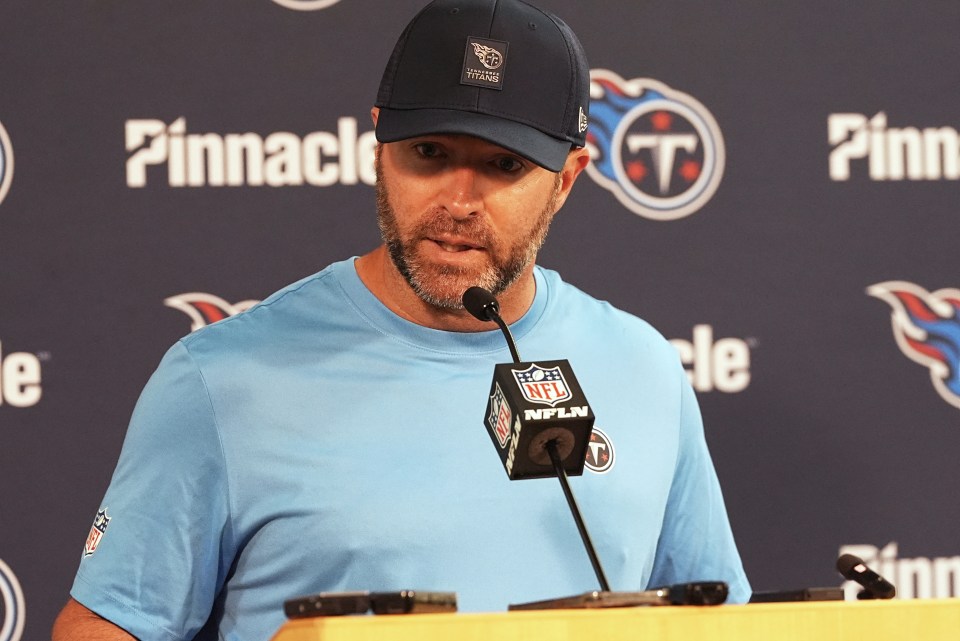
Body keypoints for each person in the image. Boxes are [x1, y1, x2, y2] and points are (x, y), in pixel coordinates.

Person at [53, 0, 750, 639]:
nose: (459, 199)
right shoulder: (220, 379)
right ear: (379, 144)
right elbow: (108, 623)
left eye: (503, 165)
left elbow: (718, 622)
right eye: (430, 154)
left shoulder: (642, 365)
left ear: (567, 178)